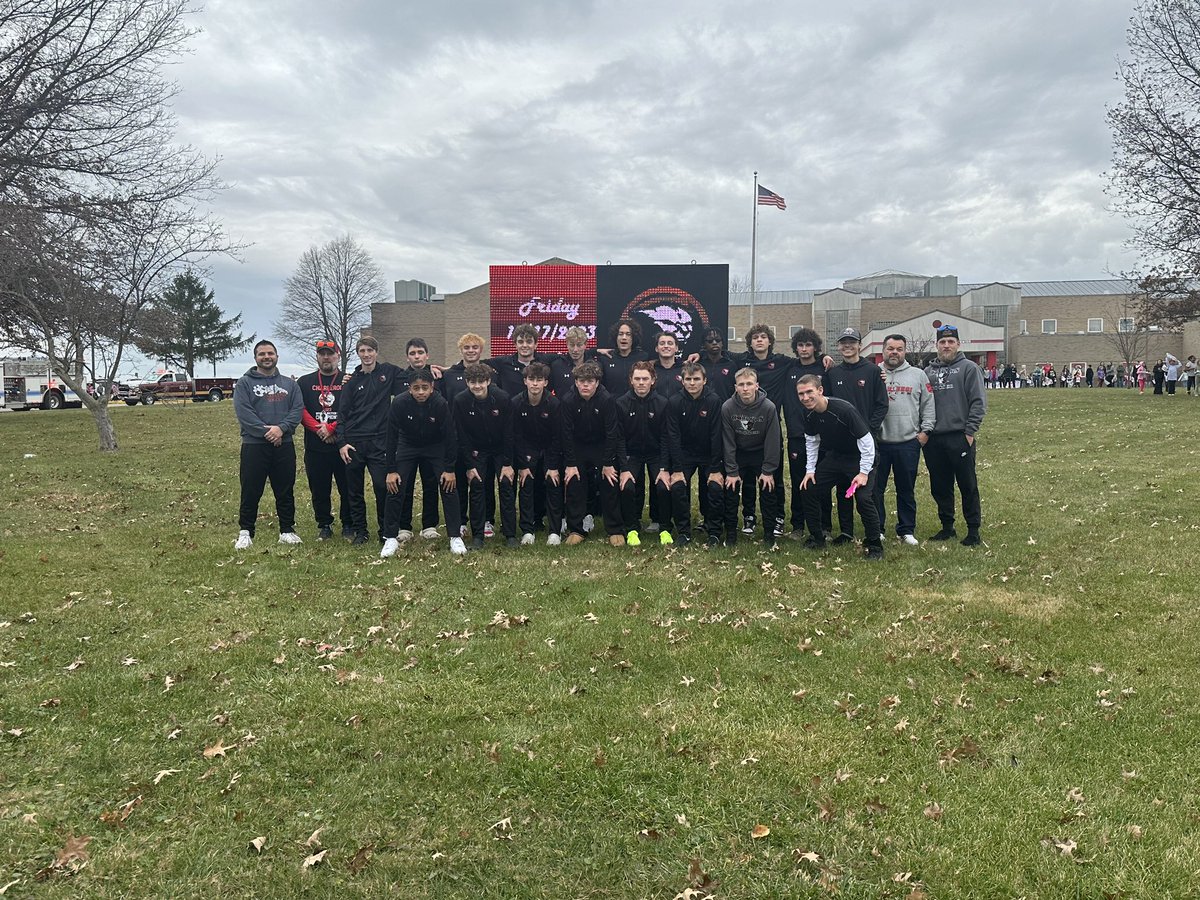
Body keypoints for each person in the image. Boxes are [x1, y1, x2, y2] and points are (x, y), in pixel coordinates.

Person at [379, 368, 467, 557]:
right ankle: (390, 537)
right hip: (407, 445)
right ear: (409, 389)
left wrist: (450, 468)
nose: (421, 392)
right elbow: (391, 437)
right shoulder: (400, 403)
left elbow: (451, 437)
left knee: (448, 485)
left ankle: (454, 536)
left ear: (432, 387)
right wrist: (391, 470)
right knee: (395, 486)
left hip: (434, 446)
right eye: (416, 388)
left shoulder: (440, 403)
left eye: (425, 388)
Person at [795, 375, 883, 560]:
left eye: (809, 392)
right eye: (801, 394)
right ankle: (817, 537)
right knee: (808, 488)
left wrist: (863, 472)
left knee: (863, 498)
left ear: (820, 390)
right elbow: (812, 441)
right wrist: (810, 471)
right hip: (835, 457)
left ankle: (875, 545)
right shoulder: (807, 412)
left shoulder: (844, 410)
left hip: (860, 458)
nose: (805, 397)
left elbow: (866, 441)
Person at [233, 340, 304, 549]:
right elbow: (245, 414)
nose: (266, 357)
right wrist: (269, 432)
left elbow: (297, 410)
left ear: (277, 356)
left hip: (284, 444)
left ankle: (287, 530)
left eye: (270, 353)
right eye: (262, 354)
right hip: (254, 445)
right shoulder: (244, 383)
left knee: (285, 489)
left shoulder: (290, 384)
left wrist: (281, 429)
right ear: (255, 358)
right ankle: (245, 532)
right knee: (251, 489)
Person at [923, 324, 987, 546]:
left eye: (951, 341)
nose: (946, 345)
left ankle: (973, 529)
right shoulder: (928, 372)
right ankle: (947, 526)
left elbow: (978, 402)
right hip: (934, 439)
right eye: (943, 342)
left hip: (959, 437)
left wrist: (969, 432)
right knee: (940, 485)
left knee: (967, 484)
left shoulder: (969, 368)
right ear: (937, 345)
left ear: (958, 344)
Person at [822, 328, 888, 544]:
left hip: (865, 442)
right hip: (841, 443)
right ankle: (846, 531)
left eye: (852, 342)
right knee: (843, 489)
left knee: (866, 492)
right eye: (843, 343)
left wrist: (868, 429)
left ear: (860, 345)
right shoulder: (833, 373)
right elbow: (827, 404)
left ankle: (875, 532)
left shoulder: (872, 371)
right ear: (839, 346)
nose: (847, 346)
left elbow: (881, 404)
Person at [338, 336, 405, 545]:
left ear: (376, 352)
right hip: (354, 443)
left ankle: (385, 530)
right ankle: (360, 531)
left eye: (370, 350)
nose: (366, 355)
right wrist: (341, 442)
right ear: (358, 354)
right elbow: (342, 414)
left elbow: (415, 375)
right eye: (362, 351)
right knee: (354, 490)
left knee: (381, 486)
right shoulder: (351, 381)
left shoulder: (389, 372)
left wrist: (440, 370)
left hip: (380, 442)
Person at [876, 335, 935, 546]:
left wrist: (926, 431)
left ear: (904, 351)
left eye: (899, 349)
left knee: (906, 489)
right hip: (879, 441)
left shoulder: (918, 375)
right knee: (875, 489)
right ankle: (877, 528)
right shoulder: (874, 373)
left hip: (908, 442)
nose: (894, 352)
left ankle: (906, 530)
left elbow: (928, 404)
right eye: (890, 348)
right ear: (883, 350)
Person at [560, 360, 626, 545]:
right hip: (578, 446)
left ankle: (614, 528)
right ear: (576, 382)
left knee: (609, 480)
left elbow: (612, 432)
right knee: (574, 481)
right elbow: (566, 434)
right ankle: (576, 529)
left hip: (602, 445)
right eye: (581, 381)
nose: (585, 385)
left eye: (590, 381)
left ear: (597, 383)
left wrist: (607, 463)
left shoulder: (607, 400)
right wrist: (571, 464)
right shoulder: (568, 400)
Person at [452, 363, 517, 549]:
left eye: (481, 381)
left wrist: (507, 463)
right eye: (473, 382)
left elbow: (509, 433)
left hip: (500, 450)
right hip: (476, 450)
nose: (477, 386)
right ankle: (478, 536)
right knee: (477, 486)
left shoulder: (503, 398)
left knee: (506, 486)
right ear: (467, 382)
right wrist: (470, 465)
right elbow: (461, 436)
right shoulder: (460, 401)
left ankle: (510, 534)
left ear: (489, 381)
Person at [441, 333, 498, 535]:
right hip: (457, 435)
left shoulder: (490, 372)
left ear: (480, 350)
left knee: (485, 480)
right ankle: (462, 520)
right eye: (467, 348)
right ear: (461, 350)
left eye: (475, 347)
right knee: (460, 478)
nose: (471, 350)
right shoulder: (449, 375)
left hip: (483, 438)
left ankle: (487, 519)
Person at [718, 367, 781, 548]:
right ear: (735, 387)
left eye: (749, 384)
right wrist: (731, 470)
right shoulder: (728, 407)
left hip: (760, 452)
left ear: (756, 386)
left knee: (768, 490)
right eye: (741, 385)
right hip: (738, 452)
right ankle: (730, 533)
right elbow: (728, 441)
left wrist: (768, 470)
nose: (745, 388)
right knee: (731, 490)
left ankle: (769, 534)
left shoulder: (769, 407)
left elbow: (773, 440)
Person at [665, 362, 724, 545]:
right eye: (688, 379)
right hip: (685, 454)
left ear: (704, 380)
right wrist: (677, 469)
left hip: (708, 454)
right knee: (678, 486)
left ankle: (713, 530)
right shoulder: (674, 402)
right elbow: (673, 437)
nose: (692, 383)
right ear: (682, 381)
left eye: (696, 379)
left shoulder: (714, 401)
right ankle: (683, 531)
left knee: (714, 487)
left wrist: (715, 468)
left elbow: (716, 435)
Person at [296, 340, 350, 540]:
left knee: (347, 487)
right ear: (317, 356)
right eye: (322, 354)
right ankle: (324, 524)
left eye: (330, 353)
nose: (326, 357)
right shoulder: (304, 382)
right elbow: (299, 409)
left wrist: (332, 428)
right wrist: (319, 428)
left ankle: (348, 524)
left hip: (342, 444)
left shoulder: (348, 380)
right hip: (316, 445)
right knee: (319, 488)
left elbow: (352, 409)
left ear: (338, 356)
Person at [616, 362, 672, 545]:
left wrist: (664, 468)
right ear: (631, 380)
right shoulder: (621, 403)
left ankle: (664, 528)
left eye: (645, 379)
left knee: (663, 486)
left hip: (656, 454)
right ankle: (632, 528)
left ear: (653, 380)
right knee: (628, 486)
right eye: (637, 379)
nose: (641, 383)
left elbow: (665, 438)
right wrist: (624, 468)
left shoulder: (663, 403)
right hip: (632, 454)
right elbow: (620, 438)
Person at [782, 327, 829, 539]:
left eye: (808, 345)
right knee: (799, 479)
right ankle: (798, 525)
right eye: (800, 345)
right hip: (796, 435)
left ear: (815, 347)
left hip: (822, 435)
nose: (804, 349)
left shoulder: (825, 368)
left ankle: (824, 525)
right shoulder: (788, 368)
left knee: (822, 479)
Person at [512, 361, 564, 546]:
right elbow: (516, 437)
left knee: (553, 483)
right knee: (526, 485)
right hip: (527, 450)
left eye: (539, 380)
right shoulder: (516, 403)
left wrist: (552, 466)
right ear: (525, 381)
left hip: (549, 449)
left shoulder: (554, 403)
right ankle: (528, 530)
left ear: (545, 382)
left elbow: (557, 437)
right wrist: (523, 466)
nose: (535, 383)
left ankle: (555, 531)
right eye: (531, 379)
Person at [397, 338, 441, 539]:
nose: (417, 356)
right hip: (406, 440)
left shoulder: (438, 375)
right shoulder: (398, 378)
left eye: (420, 352)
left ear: (427, 355)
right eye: (413, 353)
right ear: (407, 357)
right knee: (404, 483)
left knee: (430, 482)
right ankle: (403, 526)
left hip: (432, 441)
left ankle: (429, 525)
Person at [484, 323, 548, 396]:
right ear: (515, 344)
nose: (524, 345)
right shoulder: (503, 362)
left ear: (536, 344)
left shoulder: (546, 361)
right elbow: (479, 363)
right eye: (520, 342)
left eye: (529, 342)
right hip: (510, 406)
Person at [599, 318, 650, 394]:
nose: (624, 337)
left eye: (628, 334)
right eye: (620, 334)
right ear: (616, 337)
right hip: (612, 404)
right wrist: (596, 351)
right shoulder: (606, 358)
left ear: (633, 338)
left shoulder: (643, 357)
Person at [548, 326, 595, 397]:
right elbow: (548, 392)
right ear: (567, 344)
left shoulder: (594, 366)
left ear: (585, 344)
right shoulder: (556, 366)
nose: (575, 349)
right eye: (572, 345)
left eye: (579, 345)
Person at [699, 327, 737, 401]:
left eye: (718, 340)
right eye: (710, 341)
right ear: (704, 344)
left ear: (722, 343)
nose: (714, 343)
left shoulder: (731, 365)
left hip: (724, 408)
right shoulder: (698, 365)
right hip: (702, 409)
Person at [650, 331, 685, 400]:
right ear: (656, 348)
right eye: (662, 343)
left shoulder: (685, 369)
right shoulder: (650, 369)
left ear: (676, 348)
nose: (666, 346)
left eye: (670, 343)